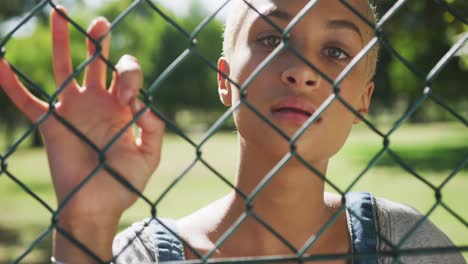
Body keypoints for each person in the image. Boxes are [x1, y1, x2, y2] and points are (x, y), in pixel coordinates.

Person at [0, 0, 465, 263]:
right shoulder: (136, 256)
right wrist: (86, 224)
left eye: (336, 52)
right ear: (225, 79)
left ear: (363, 99)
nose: (302, 72)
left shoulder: (411, 246)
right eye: (272, 39)